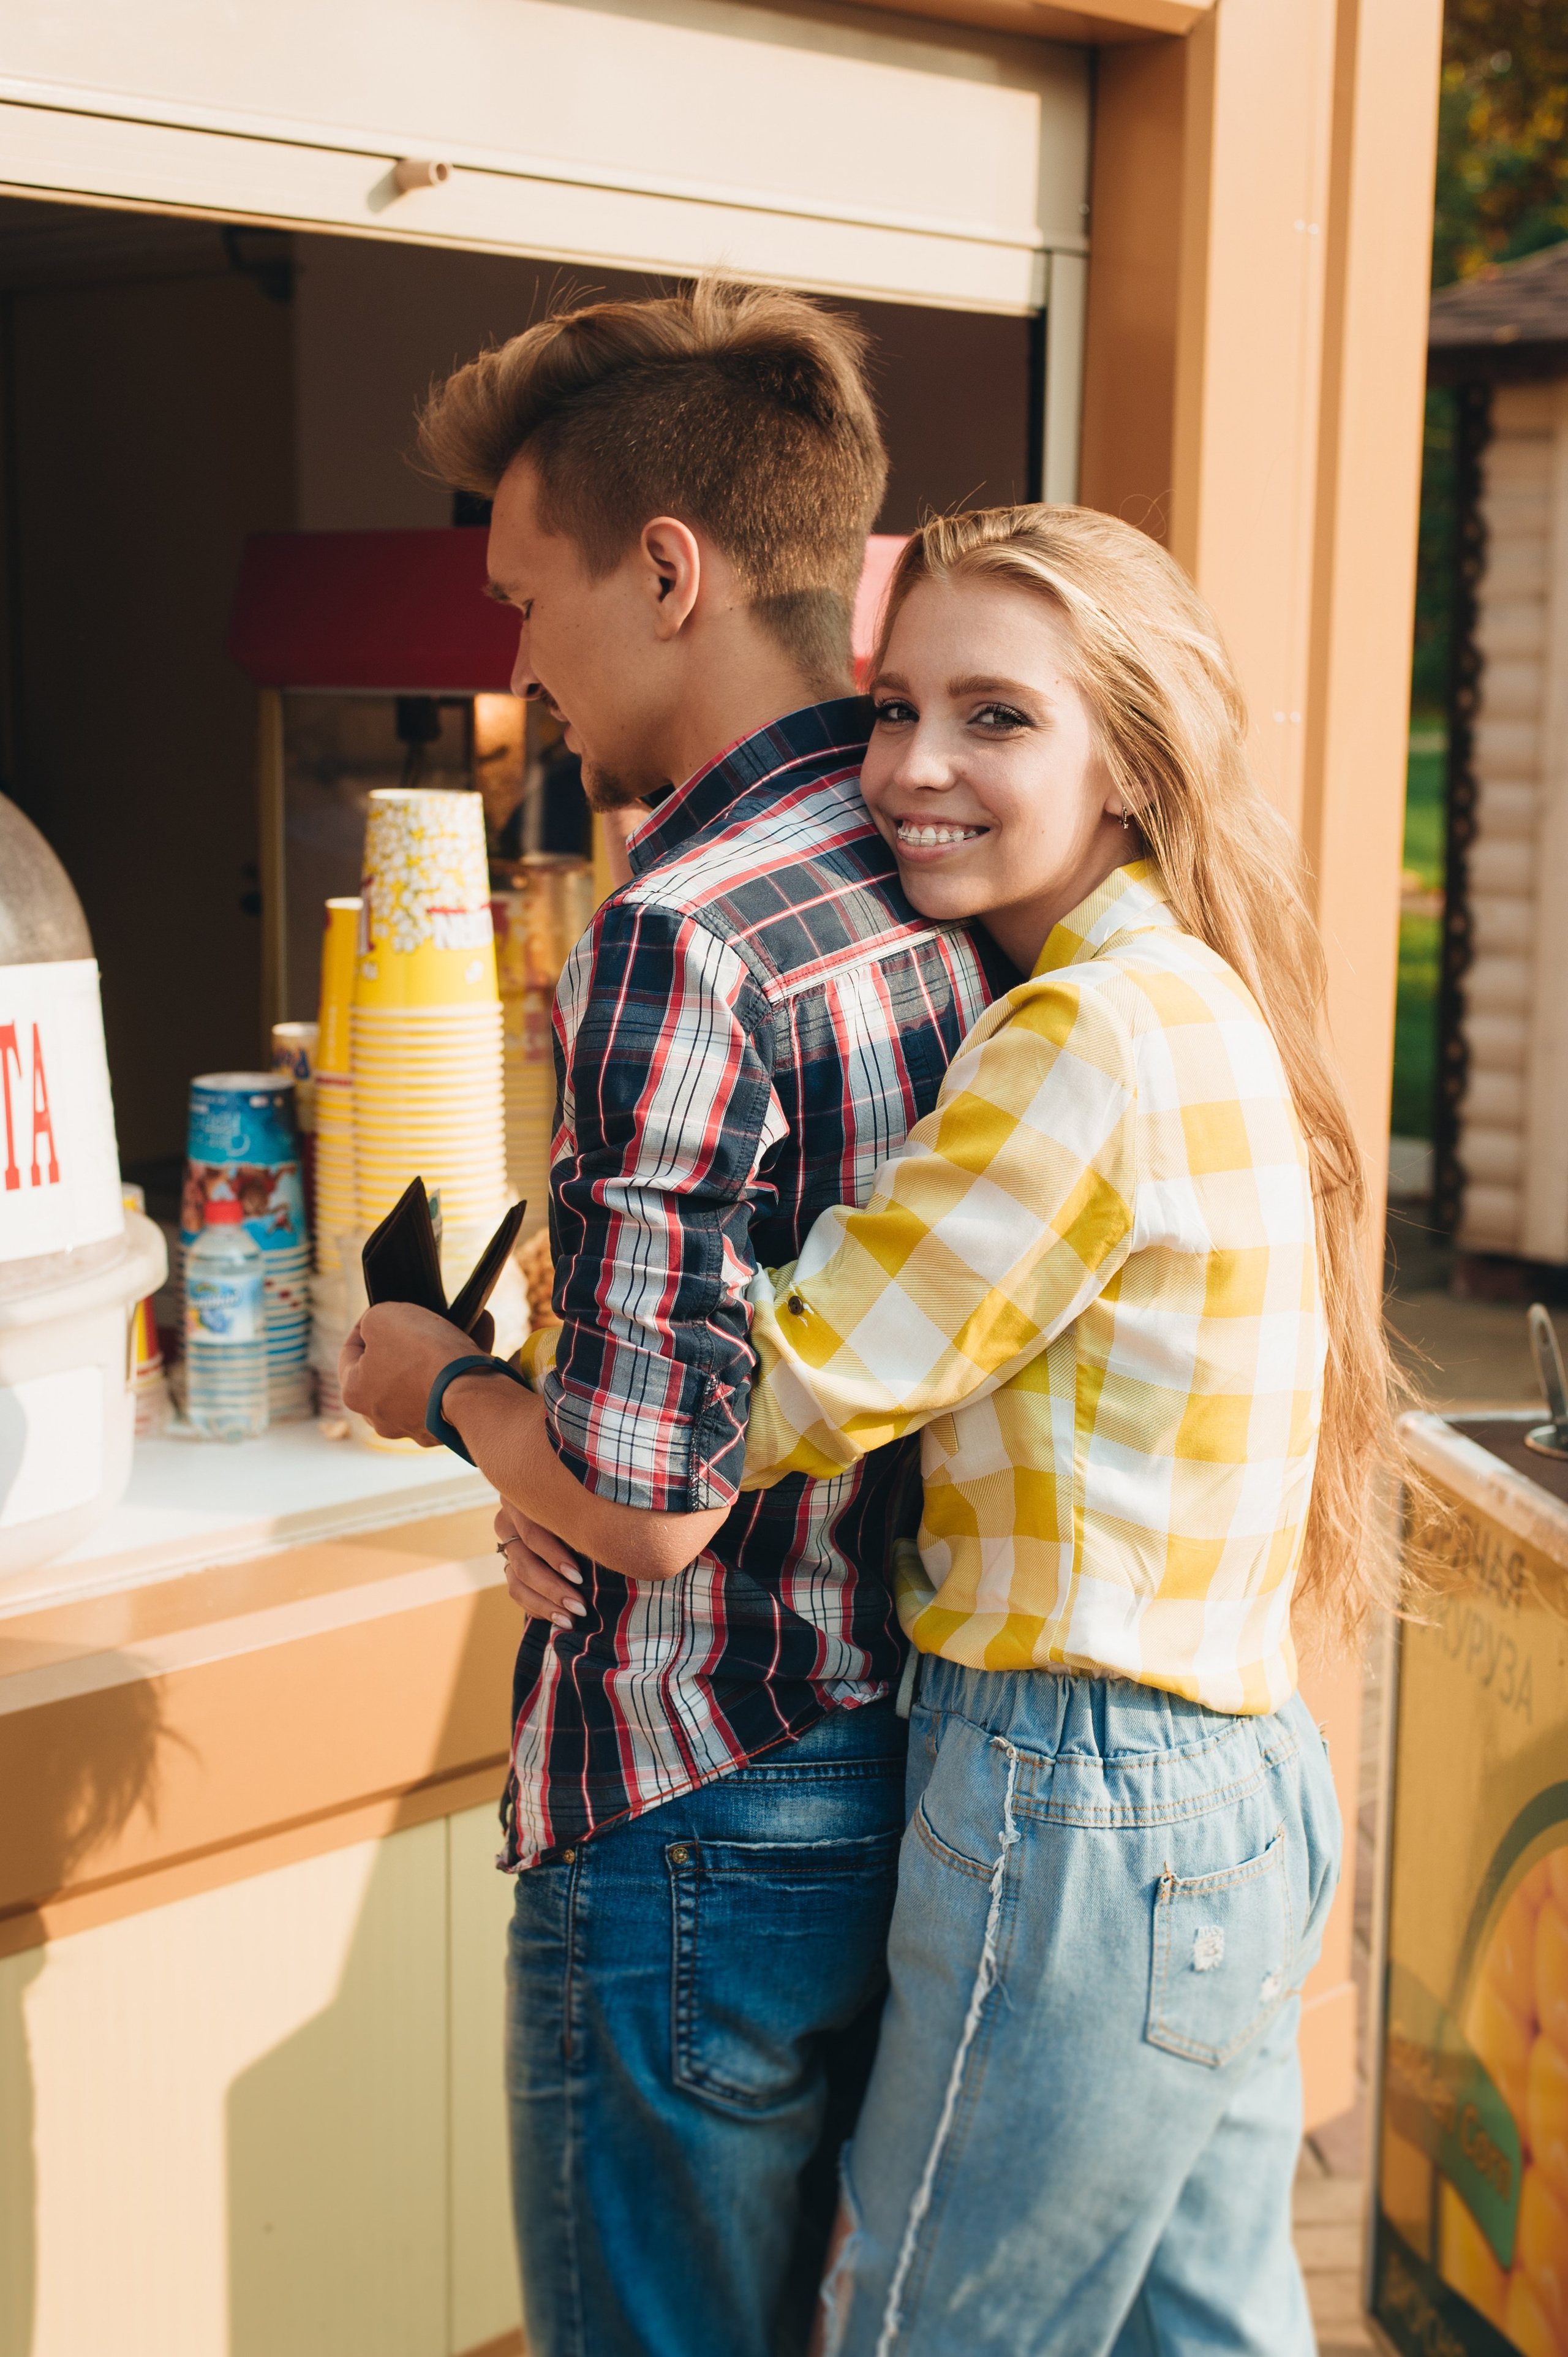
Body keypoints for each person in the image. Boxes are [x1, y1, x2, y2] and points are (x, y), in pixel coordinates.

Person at [497, 504, 1407, 2355]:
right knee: (1202, 2332)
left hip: (1078, 1809)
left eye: (997, 719)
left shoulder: (1081, 1042)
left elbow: (719, 1423)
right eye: (894, 703)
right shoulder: (1190, 997)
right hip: (1229, 1786)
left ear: (1132, 761)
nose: (909, 768)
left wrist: (457, 1388)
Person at [339, 283, 1013, 2357]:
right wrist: (569, 1422)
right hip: (896, 1775)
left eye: (528, 597)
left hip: (685, 1811)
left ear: (668, 569)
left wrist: (438, 1384)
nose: (514, 660)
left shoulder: (677, 931)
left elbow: (647, 1511)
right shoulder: (964, 874)